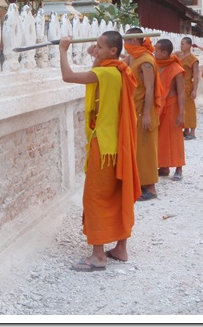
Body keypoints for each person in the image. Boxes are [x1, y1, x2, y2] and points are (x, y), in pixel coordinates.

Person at [58, 31, 141, 271]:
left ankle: (98, 256)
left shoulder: (105, 73)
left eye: (100, 47)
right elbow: (100, 74)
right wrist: (97, 56)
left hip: (103, 147)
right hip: (120, 145)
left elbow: (69, 76)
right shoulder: (121, 71)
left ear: (113, 51)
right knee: (117, 194)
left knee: (95, 198)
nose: (96, 49)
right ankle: (120, 248)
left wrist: (63, 50)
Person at [123, 27, 164, 201]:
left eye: (127, 40)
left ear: (133, 41)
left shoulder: (146, 61)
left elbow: (149, 89)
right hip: (134, 110)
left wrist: (147, 114)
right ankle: (140, 184)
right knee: (138, 148)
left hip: (143, 112)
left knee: (146, 148)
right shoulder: (135, 57)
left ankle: (151, 188)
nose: (125, 44)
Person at [155, 39, 186, 181]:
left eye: (156, 51)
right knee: (159, 138)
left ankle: (179, 168)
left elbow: (181, 92)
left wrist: (181, 114)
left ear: (164, 53)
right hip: (158, 107)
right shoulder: (154, 65)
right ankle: (164, 167)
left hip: (172, 107)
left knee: (175, 138)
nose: (154, 53)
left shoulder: (176, 69)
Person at [175, 37, 199, 140]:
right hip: (178, 86)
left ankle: (192, 132)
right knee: (181, 109)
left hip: (188, 86)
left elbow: (196, 76)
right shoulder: (178, 55)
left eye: (183, 44)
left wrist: (194, 90)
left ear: (189, 45)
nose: (181, 46)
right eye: (181, 44)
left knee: (189, 109)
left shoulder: (193, 59)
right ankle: (186, 130)